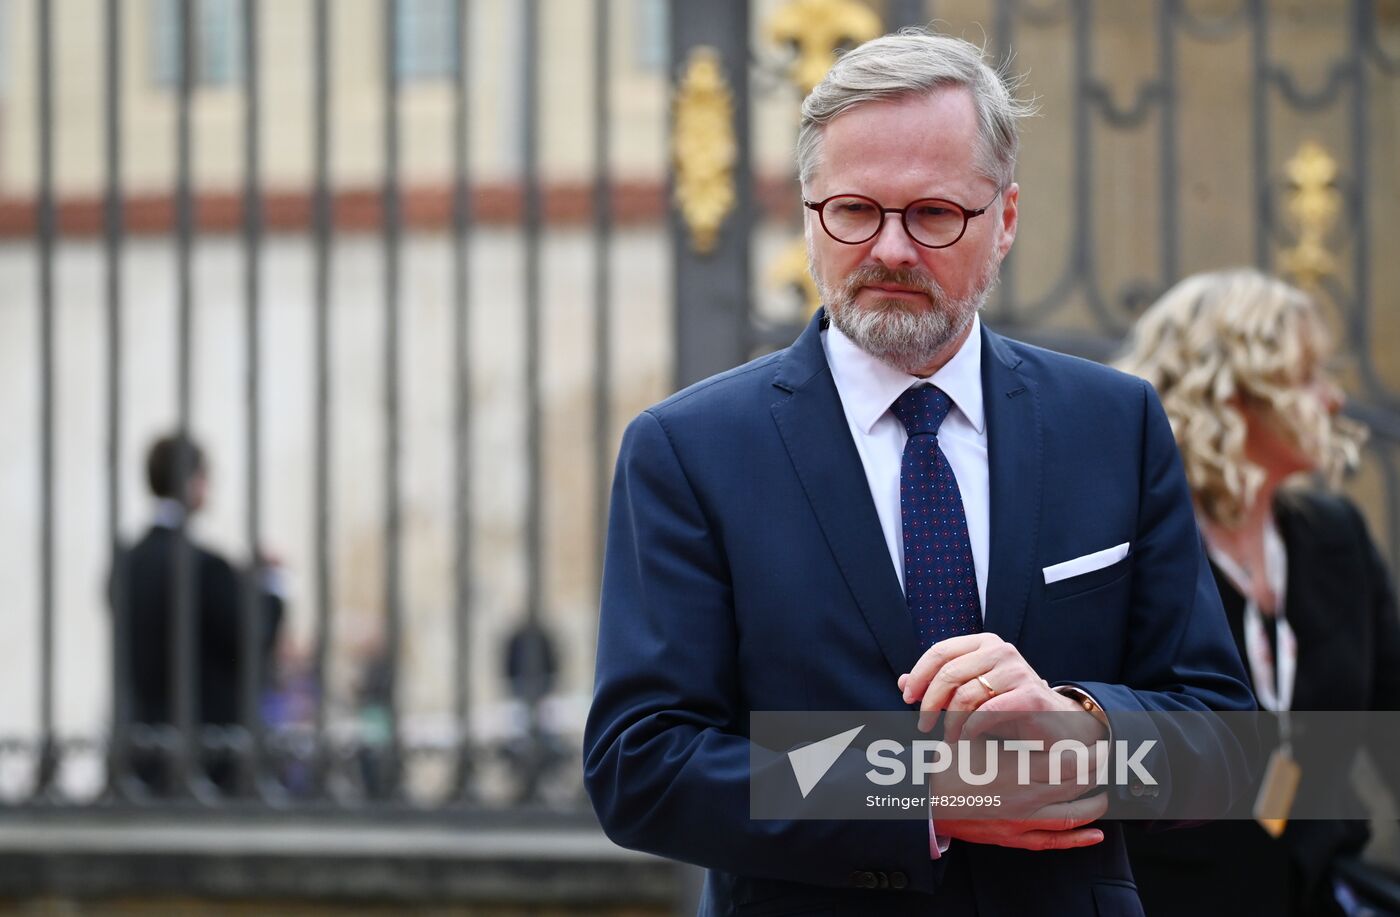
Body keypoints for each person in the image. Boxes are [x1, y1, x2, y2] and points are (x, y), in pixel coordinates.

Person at [584, 30, 1254, 916]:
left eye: (934, 214)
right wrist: (931, 793)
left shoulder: (1112, 423)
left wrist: (1084, 728)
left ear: (1005, 217)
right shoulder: (691, 450)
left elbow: (1228, 743)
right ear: (809, 208)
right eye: (855, 211)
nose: (890, 249)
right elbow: (644, 765)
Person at [1117, 269, 1400, 916]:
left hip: (1319, 888)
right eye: (1306, 377)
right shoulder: (1133, 549)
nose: (1333, 399)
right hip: (1171, 897)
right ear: (1234, 395)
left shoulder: (1335, 537)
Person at [113, 433, 285, 794]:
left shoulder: (128, 563)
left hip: (142, 749)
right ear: (195, 482)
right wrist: (272, 588)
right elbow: (254, 638)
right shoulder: (204, 566)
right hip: (207, 756)